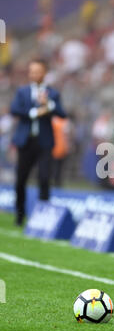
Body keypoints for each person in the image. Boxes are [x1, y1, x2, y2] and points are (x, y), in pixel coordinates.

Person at [10, 58, 66, 226]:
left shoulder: (52, 93)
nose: (34, 74)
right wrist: (35, 112)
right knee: (21, 180)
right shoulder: (23, 91)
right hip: (25, 142)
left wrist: (48, 105)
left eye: (37, 71)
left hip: (44, 142)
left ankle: (43, 218)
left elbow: (62, 114)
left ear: (44, 73)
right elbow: (15, 110)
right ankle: (19, 215)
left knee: (44, 178)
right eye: (32, 71)